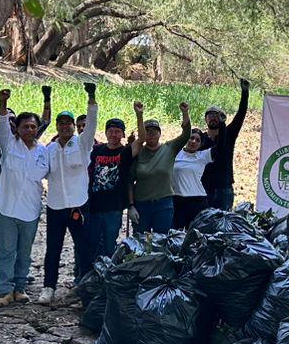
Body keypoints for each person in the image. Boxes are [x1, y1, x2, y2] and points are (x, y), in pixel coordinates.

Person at [41, 84, 99, 303]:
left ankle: (85, 287)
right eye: (61, 123)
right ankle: (49, 287)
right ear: (57, 126)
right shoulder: (49, 149)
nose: (65, 127)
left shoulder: (83, 145)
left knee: (84, 249)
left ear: (74, 127)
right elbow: (41, 171)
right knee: (52, 248)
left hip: (78, 205)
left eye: (68, 123)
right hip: (55, 205)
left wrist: (91, 98)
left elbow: (92, 123)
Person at [0, 89, 51, 303]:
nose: (29, 129)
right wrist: (3, 101)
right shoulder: (9, 144)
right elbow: (1, 121)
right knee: (6, 251)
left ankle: (20, 288)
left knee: (24, 252)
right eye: (25, 126)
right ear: (16, 128)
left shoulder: (44, 150)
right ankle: (5, 291)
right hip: (6, 207)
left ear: (37, 129)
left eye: (33, 126)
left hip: (31, 209)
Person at [131, 101, 192, 233]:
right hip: (141, 204)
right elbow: (129, 180)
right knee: (140, 244)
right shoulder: (137, 152)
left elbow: (186, 134)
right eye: (147, 131)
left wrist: (185, 113)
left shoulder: (170, 148)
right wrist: (130, 206)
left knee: (162, 242)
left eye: (154, 131)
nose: (151, 134)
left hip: (163, 204)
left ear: (160, 133)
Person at [86, 116, 134, 261]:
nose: (114, 134)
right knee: (92, 242)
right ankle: (89, 275)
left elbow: (140, 142)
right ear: (106, 132)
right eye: (111, 131)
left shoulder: (125, 152)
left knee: (109, 244)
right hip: (94, 205)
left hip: (114, 207)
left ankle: (106, 274)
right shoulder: (96, 150)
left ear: (123, 134)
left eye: (118, 131)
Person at [201, 79, 251, 211]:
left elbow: (241, 114)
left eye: (216, 115)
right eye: (210, 115)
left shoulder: (229, 134)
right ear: (205, 119)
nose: (213, 117)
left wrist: (245, 93)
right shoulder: (200, 139)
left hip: (224, 189)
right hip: (204, 188)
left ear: (222, 118)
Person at [171, 129, 214, 227]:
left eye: (198, 140)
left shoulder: (203, 156)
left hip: (198, 201)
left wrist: (219, 126)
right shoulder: (175, 153)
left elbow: (223, 147)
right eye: (191, 138)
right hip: (178, 200)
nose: (193, 141)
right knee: (178, 236)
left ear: (200, 144)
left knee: (197, 237)